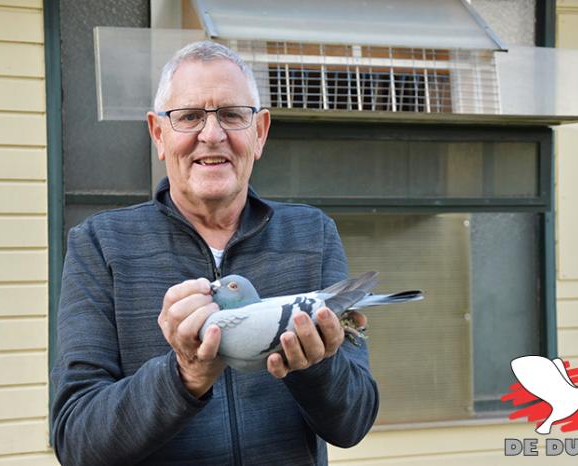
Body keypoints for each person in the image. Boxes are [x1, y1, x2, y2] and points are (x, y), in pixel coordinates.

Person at [51, 41, 378, 466]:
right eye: (188, 117)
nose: (211, 135)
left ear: (259, 133)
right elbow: (77, 442)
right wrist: (183, 376)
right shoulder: (101, 246)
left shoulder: (311, 235)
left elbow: (353, 424)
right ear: (158, 135)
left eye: (231, 115)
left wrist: (317, 368)